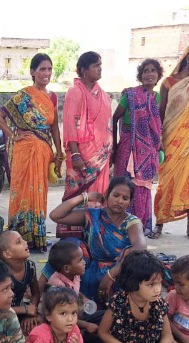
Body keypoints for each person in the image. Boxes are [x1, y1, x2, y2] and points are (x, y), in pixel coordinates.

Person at [0, 53, 64, 252]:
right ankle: (18, 238)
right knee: (22, 193)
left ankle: (36, 238)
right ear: (33, 72)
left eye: (49, 69)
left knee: (39, 194)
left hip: (43, 151)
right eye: (42, 69)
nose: (46, 73)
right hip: (24, 151)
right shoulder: (23, 95)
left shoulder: (52, 97)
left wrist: (59, 153)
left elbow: (54, 128)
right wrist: (13, 136)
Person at [98, 251, 189, 343]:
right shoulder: (119, 301)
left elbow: (167, 336)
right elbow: (103, 332)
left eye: (159, 283)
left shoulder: (158, 303)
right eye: (151, 285)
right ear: (133, 283)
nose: (158, 289)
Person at [49, 176, 147, 303]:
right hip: (92, 265)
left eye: (125, 198)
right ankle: (54, 294)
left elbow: (140, 248)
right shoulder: (93, 215)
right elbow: (55, 215)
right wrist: (84, 197)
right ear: (107, 195)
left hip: (121, 269)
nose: (120, 201)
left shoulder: (132, 222)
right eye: (116, 195)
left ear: (130, 202)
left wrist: (111, 274)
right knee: (67, 248)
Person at [58, 51, 112, 239]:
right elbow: (70, 124)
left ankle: (96, 234)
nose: (100, 68)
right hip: (81, 155)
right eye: (95, 65)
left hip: (102, 157)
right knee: (78, 194)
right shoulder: (75, 92)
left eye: (100, 64)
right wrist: (75, 154)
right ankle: (76, 235)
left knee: (99, 195)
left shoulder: (103, 95)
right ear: (83, 70)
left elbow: (108, 126)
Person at [112, 59, 163, 235]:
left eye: (153, 71)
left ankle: (139, 227)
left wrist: (159, 148)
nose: (149, 74)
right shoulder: (130, 96)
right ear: (140, 76)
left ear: (158, 76)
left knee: (142, 188)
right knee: (123, 186)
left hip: (148, 151)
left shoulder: (157, 98)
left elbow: (158, 126)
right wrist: (114, 145)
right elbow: (115, 117)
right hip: (128, 147)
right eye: (145, 71)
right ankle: (119, 227)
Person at [152, 47, 189, 239]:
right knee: (165, 181)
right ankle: (159, 222)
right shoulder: (169, 83)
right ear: (185, 59)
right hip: (171, 138)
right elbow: (160, 112)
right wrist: (158, 138)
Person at [43, 240, 101, 337]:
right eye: (80, 260)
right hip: (62, 320)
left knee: (105, 315)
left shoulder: (74, 275)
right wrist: (86, 325)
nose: (84, 263)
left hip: (74, 313)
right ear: (66, 268)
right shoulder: (57, 287)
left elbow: (75, 291)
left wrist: (83, 298)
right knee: (85, 333)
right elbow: (63, 316)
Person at [0, 230, 42, 334]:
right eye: (19, 242)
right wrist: (24, 309)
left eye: (23, 239)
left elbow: (36, 293)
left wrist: (30, 313)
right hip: (0, 314)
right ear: (7, 254)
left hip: (21, 311)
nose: (25, 242)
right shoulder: (0, 274)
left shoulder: (30, 266)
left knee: (45, 322)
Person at [166, 256, 189, 343]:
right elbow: (165, 320)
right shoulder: (173, 296)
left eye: (181, 284)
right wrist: (182, 337)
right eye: (174, 282)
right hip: (175, 338)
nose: (176, 287)